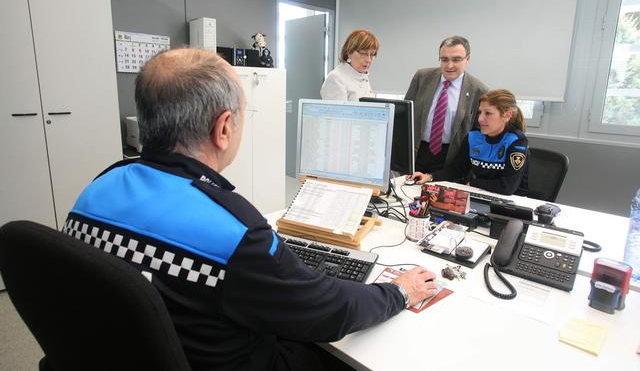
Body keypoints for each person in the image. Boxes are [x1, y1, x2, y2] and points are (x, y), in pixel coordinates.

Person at [63, 48, 437, 371]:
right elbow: (327, 311)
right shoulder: (232, 231)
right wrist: (398, 292)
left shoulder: (98, 187)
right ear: (224, 128)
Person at [408, 89, 529, 196]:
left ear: (507, 115)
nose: (480, 119)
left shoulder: (517, 141)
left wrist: (470, 183)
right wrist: (429, 177)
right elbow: (456, 170)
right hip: (479, 193)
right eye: (480, 112)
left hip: (511, 202)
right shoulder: (473, 137)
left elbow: (507, 187)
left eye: (488, 113)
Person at [405, 35, 489, 173]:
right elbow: (405, 115)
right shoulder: (422, 77)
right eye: (444, 59)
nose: (449, 65)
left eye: (456, 59)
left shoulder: (479, 90)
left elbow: (479, 134)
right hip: (417, 151)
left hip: (450, 158)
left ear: (467, 59)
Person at [320, 29, 379, 101]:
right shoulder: (336, 78)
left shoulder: (362, 77)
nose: (369, 60)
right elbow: (336, 108)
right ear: (349, 52)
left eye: (372, 55)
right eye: (363, 53)